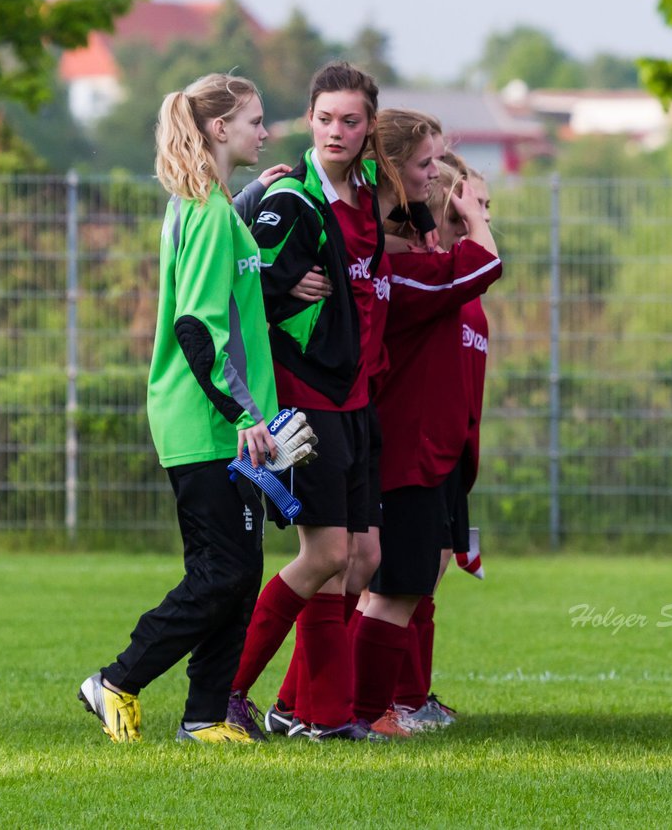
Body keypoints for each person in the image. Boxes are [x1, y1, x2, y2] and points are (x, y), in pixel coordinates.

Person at [77, 72, 307, 744]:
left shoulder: (210, 204)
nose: (265, 131)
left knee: (241, 574)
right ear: (218, 128)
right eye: (255, 120)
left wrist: (256, 193)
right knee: (223, 572)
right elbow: (196, 328)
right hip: (207, 423)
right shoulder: (206, 212)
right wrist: (245, 417)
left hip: (221, 422)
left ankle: (205, 717)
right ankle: (116, 680)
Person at [227, 61, 394, 741]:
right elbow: (241, 282)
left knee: (359, 558)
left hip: (356, 402)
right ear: (310, 121)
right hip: (307, 400)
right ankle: (227, 688)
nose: (336, 131)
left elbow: (407, 170)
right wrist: (281, 285)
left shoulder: (367, 193)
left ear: (367, 128)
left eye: (350, 120)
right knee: (325, 554)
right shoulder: (289, 197)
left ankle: (310, 711)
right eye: (324, 118)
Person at [353, 130, 501, 737]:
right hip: (407, 454)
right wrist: (476, 222)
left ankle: (385, 703)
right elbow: (485, 262)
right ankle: (363, 710)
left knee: (406, 583)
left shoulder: (442, 287)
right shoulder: (415, 276)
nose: (476, 220)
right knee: (381, 587)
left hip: (440, 455)